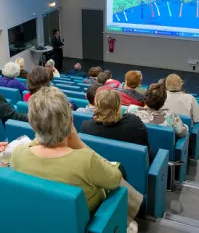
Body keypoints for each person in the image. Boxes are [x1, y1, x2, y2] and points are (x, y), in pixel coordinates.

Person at [10, 87, 129, 218]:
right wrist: (78, 143)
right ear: (71, 121)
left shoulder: (18, 154)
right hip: (88, 222)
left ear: (32, 124)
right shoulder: (85, 160)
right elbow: (115, 179)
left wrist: (44, 136)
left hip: (40, 218)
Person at [81, 89, 153, 162]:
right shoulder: (134, 123)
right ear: (119, 105)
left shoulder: (86, 127)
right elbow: (147, 150)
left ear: (97, 106)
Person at [163, 74, 199, 150]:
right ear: (180, 84)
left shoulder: (160, 96)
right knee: (196, 124)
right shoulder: (189, 98)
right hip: (184, 134)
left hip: (165, 131)